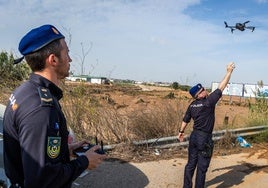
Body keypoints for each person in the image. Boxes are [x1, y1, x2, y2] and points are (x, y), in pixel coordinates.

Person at [3, 24, 106, 188]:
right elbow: (42, 180)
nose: (70, 59)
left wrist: (66, 150)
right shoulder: (41, 108)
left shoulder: (25, 91)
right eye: (67, 53)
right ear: (53, 59)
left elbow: (33, 152)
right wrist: (84, 162)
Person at [177, 62, 235, 188]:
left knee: (190, 164)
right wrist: (229, 72)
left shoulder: (192, 105)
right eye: (203, 89)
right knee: (202, 168)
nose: (205, 90)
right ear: (199, 94)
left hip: (194, 137)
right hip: (204, 139)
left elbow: (185, 120)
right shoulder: (208, 102)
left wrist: (181, 132)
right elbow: (221, 86)